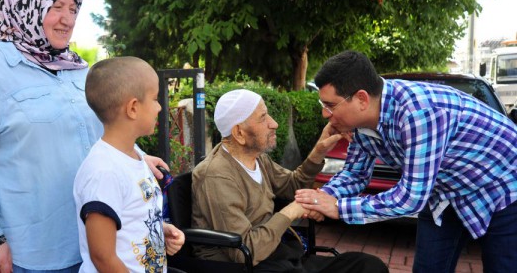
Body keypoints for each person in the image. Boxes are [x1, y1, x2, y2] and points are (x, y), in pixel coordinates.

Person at [0, 0, 168, 273]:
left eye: (73, 9)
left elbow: (103, 128)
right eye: (56, 7)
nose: (68, 19)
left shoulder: (77, 68)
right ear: (26, 4)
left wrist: (139, 158)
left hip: (91, 242)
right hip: (24, 254)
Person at [295, 50, 517, 273]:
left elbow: (411, 198)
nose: (325, 114)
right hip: (443, 192)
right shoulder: (361, 124)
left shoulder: (419, 112)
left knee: (502, 267)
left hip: (502, 185)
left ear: (361, 99)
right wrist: (322, 197)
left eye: (330, 105)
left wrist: (337, 207)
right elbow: (355, 174)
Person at [191, 89, 388, 272]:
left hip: (278, 255)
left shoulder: (257, 158)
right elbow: (245, 250)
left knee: (369, 267)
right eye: (263, 118)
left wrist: (319, 151)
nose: (274, 123)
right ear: (239, 133)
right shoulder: (217, 176)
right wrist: (294, 209)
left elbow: (293, 185)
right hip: (249, 265)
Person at [73, 57, 185, 272]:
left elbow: (130, 218)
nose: (160, 107)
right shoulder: (104, 171)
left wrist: (161, 229)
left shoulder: (134, 158)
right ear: (133, 108)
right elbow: (103, 257)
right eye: (154, 99)